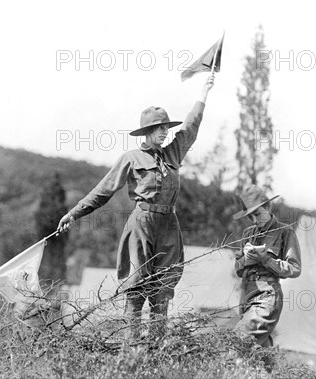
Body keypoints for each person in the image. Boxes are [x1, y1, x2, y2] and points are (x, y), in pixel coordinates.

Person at [57, 75, 215, 337]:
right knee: (137, 285)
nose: (165, 132)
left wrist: (204, 92)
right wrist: (74, 213)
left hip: (169, 226)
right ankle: (133, 346)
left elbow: (190, 127)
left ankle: (155, 346)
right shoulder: (130, 158)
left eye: (166, 128)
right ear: (147, 132)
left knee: (162, 288)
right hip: (142, 225)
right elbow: (103, 191)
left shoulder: (173, 153)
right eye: (160, 128)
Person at [233, 185, 302, 347]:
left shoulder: (285, 232)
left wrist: (266, 260)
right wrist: (246, 260)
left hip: (267, 296)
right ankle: (270, 371)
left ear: (268, 207)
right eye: (250, 217)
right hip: (246, 296)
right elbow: (237, 268)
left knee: (240, 340)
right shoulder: (248, 233)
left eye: (258, 214)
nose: (255, 220)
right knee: (260, 353)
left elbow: (295, 268)